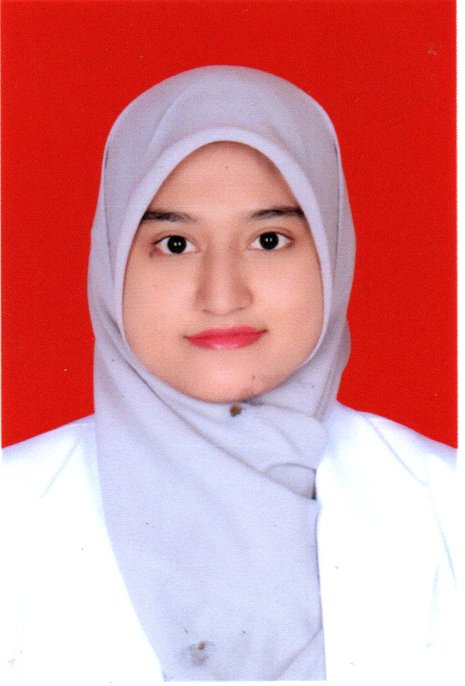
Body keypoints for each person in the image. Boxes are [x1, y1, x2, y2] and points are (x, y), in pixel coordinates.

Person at [2, 66, 457, 683]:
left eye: (268, 240)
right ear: (112, 259)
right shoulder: (12, 513)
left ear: (331, 249)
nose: (221, 296)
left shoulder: (446, 506)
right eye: (175, 244)